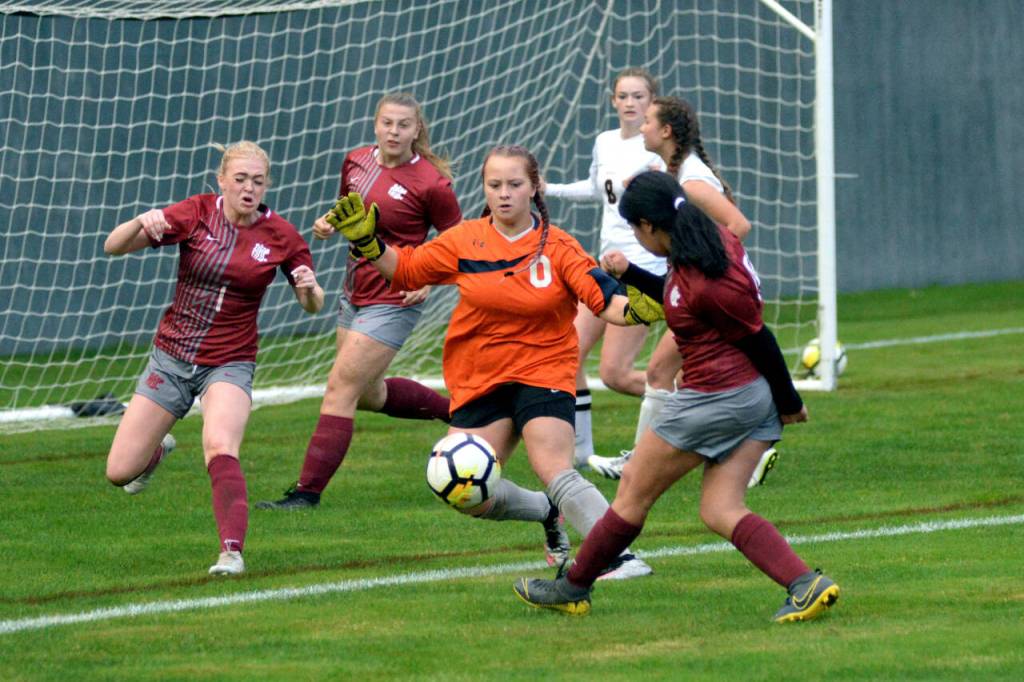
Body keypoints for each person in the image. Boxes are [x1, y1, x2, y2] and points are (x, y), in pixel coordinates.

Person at [513, 172, 839, 623]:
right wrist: (631, 275)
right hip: (748, 399)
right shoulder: (708, 244)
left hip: (715, 401)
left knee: (630, 495)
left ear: (650, 225)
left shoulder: (708, 279)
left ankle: (573, 587)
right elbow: (678, 298)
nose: (634, 237)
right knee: (720, 508)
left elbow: (759, 337)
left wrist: (790, 401)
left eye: (634, 229)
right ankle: (805, 583)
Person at [332, 144, 653, 579]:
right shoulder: (465, 239)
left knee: (555, 470)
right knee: (463, 491)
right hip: (480, 376)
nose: (504, 194)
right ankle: (545, 512)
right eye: (494, 184)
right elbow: (406, 271)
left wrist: (635, 309)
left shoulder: (559, 247)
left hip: (544, 372)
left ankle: (620, 558)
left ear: (534, 187)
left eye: (514, 184)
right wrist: (368, 243)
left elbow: (604, 300)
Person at [103, 141, 325, 576]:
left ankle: (231, 552)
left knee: (220, 445)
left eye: (257, 181)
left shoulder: (282, 235)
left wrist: (309, 288)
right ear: (221, 180)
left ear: (267, 186)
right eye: (240, 179)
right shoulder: (196, 212)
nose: (249, 188)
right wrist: (139, 222)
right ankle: (156, 452)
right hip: (171, 357)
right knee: (118, 472)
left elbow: (312, 303)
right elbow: (113, 247)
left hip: (230, 362)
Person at [257, 93, 462, 511]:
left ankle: (306, 493)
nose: (394, 131)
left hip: (395, 296)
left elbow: (462, 242)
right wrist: (327, 222)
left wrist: (429, 278)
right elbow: (349, 208)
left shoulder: (431, 183)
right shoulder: (355, 160)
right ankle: (463, 413)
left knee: (340, 388)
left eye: (404, 125)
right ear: (375, 124)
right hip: (354, 292)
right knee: (366, 393)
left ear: (416, 130)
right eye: (387, 123)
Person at [586, 95, 778, 491]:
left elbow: (737, 226)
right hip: (698, 293)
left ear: (667, 131)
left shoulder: (690, 180)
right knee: (667, 374)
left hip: (712, 297)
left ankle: (639, 463)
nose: (642, 127)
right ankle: (744, 450)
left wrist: (707, 272)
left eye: (649, 121)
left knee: (663, 372)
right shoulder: (671, 169)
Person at [543, 67, 669, 468]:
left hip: (641, 273)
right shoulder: (604, 142)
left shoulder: (657, 152)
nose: (630, 103)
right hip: (603, 270)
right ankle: (580, 452)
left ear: (652, 102)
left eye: (639, 97)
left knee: (616, 373)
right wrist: (550, 189)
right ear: (612, 100)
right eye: (623, 96)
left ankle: (699, 402)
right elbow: (597, 189)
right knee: (567, 355)